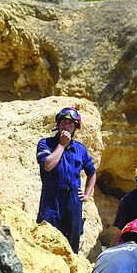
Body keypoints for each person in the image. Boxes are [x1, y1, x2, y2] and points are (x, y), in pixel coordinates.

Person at [36, 107, 96, 253]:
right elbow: (48, 165)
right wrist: (62, 145)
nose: (66, 126)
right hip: (51, 202)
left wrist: (87, 195)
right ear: (58, 124)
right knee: (48, 244)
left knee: (71, 247)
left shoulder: (80, 149)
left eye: (71, 123)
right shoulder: (45, 144)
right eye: (64, 122)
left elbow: (92, 173)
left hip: (73, 203)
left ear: (75, 127)